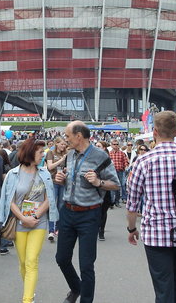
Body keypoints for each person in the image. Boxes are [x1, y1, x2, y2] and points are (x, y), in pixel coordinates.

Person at [126, 111, 176, 303]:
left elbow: (132, 202)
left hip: (156, 233)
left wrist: (132, 228)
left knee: (163, 287)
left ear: (154, 132)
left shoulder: (144, 161)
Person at [53, 121, 120, 303]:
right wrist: (61, 179)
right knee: (61, 258)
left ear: (78, 136)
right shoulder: (70, 155)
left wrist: (99, 182)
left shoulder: (100, 156)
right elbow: (69, 181)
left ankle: (86, 299)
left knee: (86, 265)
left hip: (89, 215)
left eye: (67, 136)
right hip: (67, 211)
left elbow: (115, 184)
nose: (66, 140)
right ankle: (76, 288)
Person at [0, 138, 57, 303]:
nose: (43, 156)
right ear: (30, 153)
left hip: (39, 222)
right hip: (19, 222)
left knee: (32, 261)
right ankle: (29, 291)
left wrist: (35, 216)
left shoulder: (44, 173)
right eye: (40, 153)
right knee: (23, 262)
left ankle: (27, 299)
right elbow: (9, 200)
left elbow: (49, 199)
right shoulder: (13, 174)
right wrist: (23, 218)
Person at [44, 137, 68, 242]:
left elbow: (67, 167)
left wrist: (66, 169)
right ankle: (51, 230)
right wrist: (61, 160)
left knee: (61, 206)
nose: (64, 146)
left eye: (65, 144)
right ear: (57, 144)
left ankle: (58, 228)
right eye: (62, 144)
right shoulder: (50, 153)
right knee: (52, 205)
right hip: (53, 181)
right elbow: (50, 167)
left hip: (62, 181)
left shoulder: (66, 154)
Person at [108, 139, 130, 208]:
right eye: (114, 144)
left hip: (120, 171)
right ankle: (111, 202)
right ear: (111, 145)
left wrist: (126, 166)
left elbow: (126, 161)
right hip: (112, 172)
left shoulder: (122, 153)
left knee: (119, 186)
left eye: (117, 144)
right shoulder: (109, 154)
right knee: (111, 187)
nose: (116, 146)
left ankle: (117, 201)